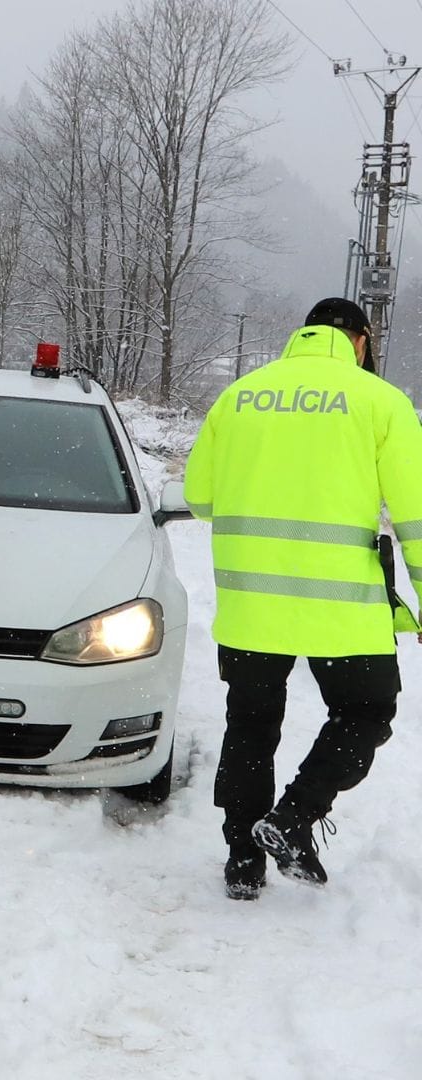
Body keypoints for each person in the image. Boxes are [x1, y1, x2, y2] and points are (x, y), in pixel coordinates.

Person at [184, 296, 422, 900]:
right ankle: (293, 818)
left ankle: (242, 859)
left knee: (251, 727)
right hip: (339, 611)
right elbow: (416, 517)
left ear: (306, 333)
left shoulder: (241, 396)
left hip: (251, 608)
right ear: (361, 341)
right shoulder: (380, 402)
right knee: (367, 712)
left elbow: (200, 498)